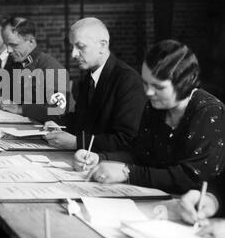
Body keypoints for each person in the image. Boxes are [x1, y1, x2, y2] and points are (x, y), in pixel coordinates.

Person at [76, 39, 225, 194]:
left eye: (158, 87)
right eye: (145, 83)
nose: (148, 92)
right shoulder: (155, 106)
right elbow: (141, 155)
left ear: (184, 83)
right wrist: (100, 158)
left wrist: (127, 172)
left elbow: (192, 178)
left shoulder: (209, 112)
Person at [44, 17, 146, 151]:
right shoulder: (88, 78)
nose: (73, 54)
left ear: (102, 46)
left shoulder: (127, 79)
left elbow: (126, 139)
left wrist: (77, 143)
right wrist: (60, 126)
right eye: (72, 47)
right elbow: (83, 121)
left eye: (80, 47)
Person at [0, 16, 70, 123]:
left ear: (31, 41)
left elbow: (58, 111)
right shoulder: (15, 63)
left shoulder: (52, 67)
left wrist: (21, 109)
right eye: (7, 45)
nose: (8, 50)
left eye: (13, 45)